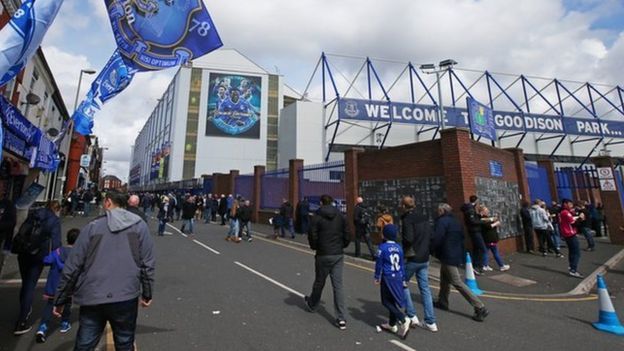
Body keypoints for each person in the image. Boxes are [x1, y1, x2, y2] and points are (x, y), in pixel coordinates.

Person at [53, 191, 155, 350]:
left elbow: (73, 266)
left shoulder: (93, 227)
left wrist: (60, 298)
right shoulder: (139, 226)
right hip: (126, 294)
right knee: (124, 342)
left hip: (93, 294)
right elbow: (147, 263)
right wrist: (147, 293)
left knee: (85, 344)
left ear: (108, 202)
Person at [431, 203, 489, 322]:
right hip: (456, 253)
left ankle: (479, 307)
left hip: (447, 254)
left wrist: (431, 250)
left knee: (456, 281)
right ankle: (443, 301)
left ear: (442, 211)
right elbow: (462, 237)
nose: (437, 212)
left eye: (438, 210)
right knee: (444, 278)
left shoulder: (442, 222)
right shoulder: (456, 221)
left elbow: (437, 238)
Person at [13, 201, 62, 335]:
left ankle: (24, 308)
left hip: (23, 252)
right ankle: (22, 320)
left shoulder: (33, 214)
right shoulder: (54, 220)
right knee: (30, 284)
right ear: (56, 209)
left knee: (25, 283)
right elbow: (57, 242)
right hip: (38, 255)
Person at [304, 194, 351, 330]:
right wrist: (342, 245)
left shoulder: (316, 217)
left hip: (323, 253)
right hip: (337, 253)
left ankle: (313, 304)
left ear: (321, 203)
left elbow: (312, 235)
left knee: (320, 281)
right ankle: (341, 318)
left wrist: (315, 247)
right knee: (338, 286)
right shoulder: (341, 216)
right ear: (332, 202)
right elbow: (347, 233)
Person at [35, 228, 80, 343]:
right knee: (67, 303)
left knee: (49, 306)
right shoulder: (77, 255)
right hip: (68, 286)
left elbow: (46, 260)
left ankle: (42, 328)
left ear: (67, 239)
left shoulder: (57, 252)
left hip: (53, 285)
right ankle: (64, 323)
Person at [400, 196, 437, 332]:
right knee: (425, 289)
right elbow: (431, 236)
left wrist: (403, 246)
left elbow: (408, 239)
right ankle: (430, 321)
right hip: (424, 257)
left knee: (401, 282)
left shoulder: (407, 219)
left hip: (413, 257)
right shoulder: (423, 217)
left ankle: (411, 314)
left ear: (404, 206)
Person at [375, 224, 410, 339]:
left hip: (388, 277)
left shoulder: (382, 247)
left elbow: (379, 264)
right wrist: (404, 278)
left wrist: (377, 277)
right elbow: (401, 265)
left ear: (384, 235)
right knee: (392, 300)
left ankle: (403, 319)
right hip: (398, 276)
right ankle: (391, 324)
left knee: (385, 301)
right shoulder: (399, 248)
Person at [461, 195, 489, 275]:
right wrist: (484, 221)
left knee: (477, 249)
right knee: (482, 249)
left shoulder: (470, 209)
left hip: (474, 231)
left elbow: (473, 219)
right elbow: (472, 221)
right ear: (476, 201)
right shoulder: (470, 210)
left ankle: (475, 266)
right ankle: (480, 267)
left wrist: (480, 215)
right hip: (475, 231)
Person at [478, 205, 510, 271]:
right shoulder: (482, 219)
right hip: (490, 238)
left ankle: (485, 265)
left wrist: (495, 222)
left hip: (489, 238)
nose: (488, 211)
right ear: (482, 212)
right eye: (486, 210)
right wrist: (496, 223)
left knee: (486, 251)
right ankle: (501, 265)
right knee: (495, 252)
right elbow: (488, 226)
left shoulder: (486, 218)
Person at [559, 199, 583, 278]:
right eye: (569, 204)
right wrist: (580, 218)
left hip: (567, 234)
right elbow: (573, 223)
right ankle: (573, 269)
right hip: (570, 234)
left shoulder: (564, 212)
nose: (571, 206)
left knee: (572, 251)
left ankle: (571, 266)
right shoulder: (565, 213)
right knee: (576, 253)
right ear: (565, 204)